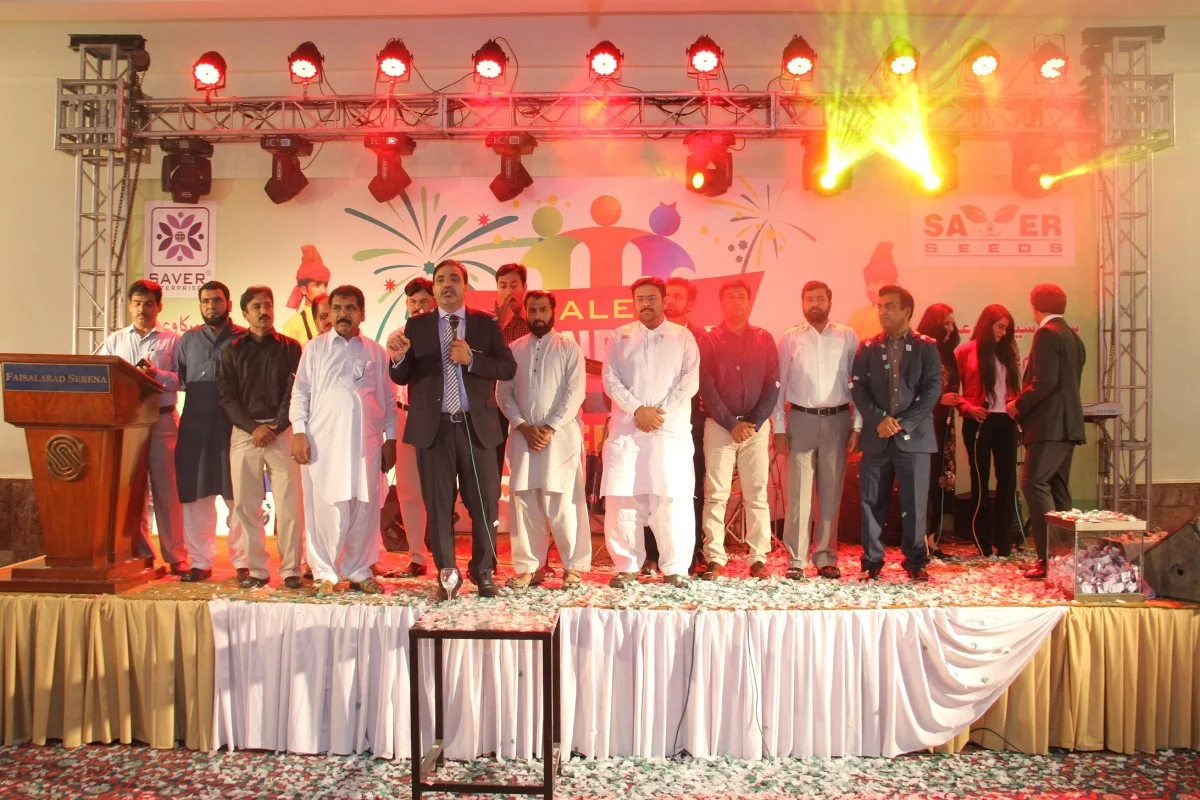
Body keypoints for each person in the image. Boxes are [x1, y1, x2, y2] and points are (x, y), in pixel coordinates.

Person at [387, 260, 517, 600]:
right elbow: (402, 376)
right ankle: (447, 577)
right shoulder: (417, 326)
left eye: (454, 279)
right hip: (434, 430)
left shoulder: (485, 324)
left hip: (477, 430)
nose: (447, 285)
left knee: (485, 506)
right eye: (441, 279)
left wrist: (473, 359)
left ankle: (483, 573)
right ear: (433, 289)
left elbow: (507, 367)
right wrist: (398, 359)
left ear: (465, 285)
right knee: (439, 506)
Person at [291, 286, 397, 596]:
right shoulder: (315, 349)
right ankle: (324, 572)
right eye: (337, 308)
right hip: (324, 446)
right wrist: (299, 431)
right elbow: (300, 394)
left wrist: (390, 438)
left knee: (364, 508)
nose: (342, 313)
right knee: (326, 509)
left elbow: (388, 399)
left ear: (362, 313)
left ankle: (359, 570)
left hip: (366, 445)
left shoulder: (375, 351)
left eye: (350, 308)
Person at [602, 276, 700, 589]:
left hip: (668, 432)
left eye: (652, 298)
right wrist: (637, 410)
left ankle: (675, 568)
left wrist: (658, 413)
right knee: (623, 498)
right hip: (628, 432)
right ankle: (627, 566)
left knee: (671, 498)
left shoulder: (682, 337)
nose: (646, 304)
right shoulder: (620, 336)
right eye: (640, 299)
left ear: (664, 300)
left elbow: (689, 381)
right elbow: (610, 379)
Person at [498, 290, 591, 589]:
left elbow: (575, 393)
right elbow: (503, 393)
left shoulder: (569, 348)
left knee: (564, 503)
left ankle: (573, 567)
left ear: (554, 312)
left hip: (560, 439)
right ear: (525, 313)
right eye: (533, 310)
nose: (538, 315)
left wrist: (549, 427)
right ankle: (529, 568)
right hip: (523, 438)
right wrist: (523, 426)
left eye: (543, 310)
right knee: (525, 502)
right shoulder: (514, 349)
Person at [850, 284, 942, 582]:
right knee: (871, 502)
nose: (883, 311)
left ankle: (915, 561)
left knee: (914, 503)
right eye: (880, 306)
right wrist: (879, 419)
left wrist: (903, 422)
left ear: (907, 310)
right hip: (877, 437)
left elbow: (933, 389)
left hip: (914, 438)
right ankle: (871, 561)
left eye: (890, 306)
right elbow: (858, 387)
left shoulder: (926, 346)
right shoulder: (867, 347)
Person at [773, 280, 862, 581]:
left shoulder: (847, 336)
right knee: (798, 495)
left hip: (838, 420)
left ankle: (825, 556)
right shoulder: (790, 338)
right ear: (802, 304)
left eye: (820, 299)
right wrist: (779, 428)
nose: (814, 304)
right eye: (809, 299)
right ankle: (796, 559)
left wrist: (858, 425)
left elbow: (858, 384)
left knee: (831, 493)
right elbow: (779, 385)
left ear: (829, 303)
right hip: (801, 419)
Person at [100, 279, 188, 574]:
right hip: (128, 424)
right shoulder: (115, 340)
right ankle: (141, 554)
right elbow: (101, 376)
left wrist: (156, 374)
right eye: (137, 303)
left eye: (148, 303)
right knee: (133, 492)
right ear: (129, 306)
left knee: (168, 492)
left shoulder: (173, 341)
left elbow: (184, 380)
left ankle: (176, 556)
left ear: (159, 306)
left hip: (163, 420)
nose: (142, 309)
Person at [219, 286, 305, 589]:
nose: (263, 311)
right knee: (245, 505)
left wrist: (276, 426)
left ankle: (292, 569)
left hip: (281, 433)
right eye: (256, 307)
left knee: (290, 504)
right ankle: (256, 569)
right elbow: (227, 397)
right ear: (245, 313)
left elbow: (294, 392)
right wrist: (253, 428)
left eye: (267, 305)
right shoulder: (232, 350)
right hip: (245, 434)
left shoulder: (291, 348)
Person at [697, 280, 779, 580]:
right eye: (730, 297)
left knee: (756, 494)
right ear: (722, 303)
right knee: (716, 494)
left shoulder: (764, 338)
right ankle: (714, 557)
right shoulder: (709, 339)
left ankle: (758, 558)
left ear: (749, 301)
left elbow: (772, 384)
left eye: (741, 296)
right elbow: (706, 384)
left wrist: (753, 422)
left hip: (755, 428)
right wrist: (731, 423)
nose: (736, 302)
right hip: (720, 427)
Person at [1007, 284, 1085, 580]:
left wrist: (1017, 404)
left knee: (1034, 483)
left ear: (1034, 306)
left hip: (1049, 425)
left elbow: (1045, 382)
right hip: (1068, 425)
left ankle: (1047, 558)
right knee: (1058, 488)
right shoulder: (1073, 337)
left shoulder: (1046, 334)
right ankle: (1064, 558)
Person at [175, 281, 243, 582]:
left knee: (239, 497)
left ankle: (244, 562)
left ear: (228, 304)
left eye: (217, 300)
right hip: (196, 427)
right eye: (205, 301)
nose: (211, 306)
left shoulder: (244, 338)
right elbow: (180, 379)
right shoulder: (188, 340)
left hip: (234, 426)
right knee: (197, 496)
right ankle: (200, 562)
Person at [956, 304, 1021, 558]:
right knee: (980, 480)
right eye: (1000, 327)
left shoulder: (1009, 352)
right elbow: (952, 390)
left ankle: (1004, 540)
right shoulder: (965, 350)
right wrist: (967, 407)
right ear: (987, 324)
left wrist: (1016, 406)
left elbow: (1015, 388)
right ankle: (981, 539)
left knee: (1007, 480)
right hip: (979, 420)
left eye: (1007, 329)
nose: (1003, 333)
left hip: (1006, 420)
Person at [380, 277, 435, 575]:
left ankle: (445, 556)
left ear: (435, 302)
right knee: (409, 491)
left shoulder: (445, 333)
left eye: (424, 301)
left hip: (437, 419)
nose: (418, 307)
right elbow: (391, 383)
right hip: (404, 417)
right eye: (413, 302)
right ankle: (417, 557)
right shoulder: (397, 337)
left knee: (440, 490)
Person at [657, 275, 706, 575]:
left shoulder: (699, 336)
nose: (670, 301)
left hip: (692, 423)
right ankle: (653, 553)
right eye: (667, 295)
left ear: (690, 303)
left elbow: (705, 379)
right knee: (654, 487)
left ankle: (693, 552)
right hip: (652, 423)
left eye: (677, 296)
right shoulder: (650, 333)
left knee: (690, 488)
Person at [915, 303, 961, 559]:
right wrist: (939, 400)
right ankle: (919, 540)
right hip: (925, 423)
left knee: (940, 480)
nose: (950, 328)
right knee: (924, 479)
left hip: (945, 425)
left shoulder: (948, 353)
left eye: (952, 323)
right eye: (945, 323)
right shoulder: (921, 350)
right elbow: (912, 390)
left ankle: (932, 538)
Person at [493, 264, 531, 470]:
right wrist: (499, 324)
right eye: (503, 286)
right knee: (492, 461)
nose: (508, 291)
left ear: (524, 287)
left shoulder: (535, 322)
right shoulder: (488, 323)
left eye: (514, 285)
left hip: (527, 401)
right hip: (494, 402)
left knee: (526, 462)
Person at [847, 242, 899, 342]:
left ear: (891, 283)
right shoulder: (858, 316)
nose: (870, 289)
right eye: (868, 283)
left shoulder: (899, 316)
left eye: (876, 283)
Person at [281, 244, 331, 344]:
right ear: (303, 289)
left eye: (325, 285)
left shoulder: (334, 319)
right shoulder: (293, 325)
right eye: (317, 285)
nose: (323, 290)